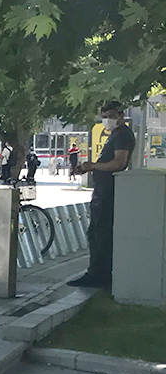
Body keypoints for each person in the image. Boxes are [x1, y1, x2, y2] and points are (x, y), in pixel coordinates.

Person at [70, 100, 134, 288]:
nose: (107, 121)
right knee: (96, 233)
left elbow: (118, 163)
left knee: (101, 234)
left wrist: (93, 166)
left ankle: (99, 275)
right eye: (104, 117)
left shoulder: (122, 135)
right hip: (102, 191)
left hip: (108, 194)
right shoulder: (115, 135)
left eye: (111, 116)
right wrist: (86, 169)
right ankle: (98, 272)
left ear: (121, 115)